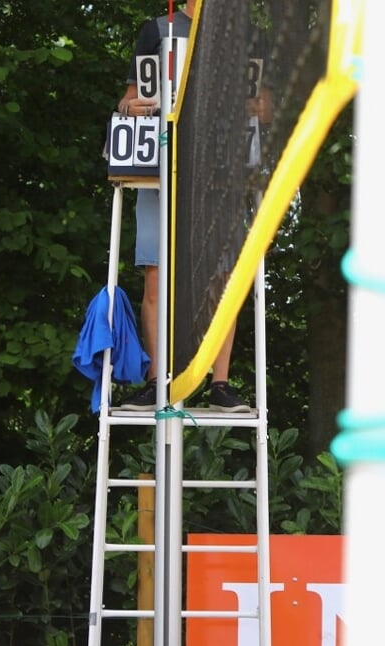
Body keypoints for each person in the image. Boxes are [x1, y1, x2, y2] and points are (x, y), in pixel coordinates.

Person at [115, 0, 249, 413]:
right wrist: (128, 106)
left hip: (218, 172)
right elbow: (130, 98)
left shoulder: (238, 35)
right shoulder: (158, 29)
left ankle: (220, 384)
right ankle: (157, 380)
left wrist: (261, 107)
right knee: (155, 276)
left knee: (224, 278)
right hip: (159, 166)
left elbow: (262, 103)